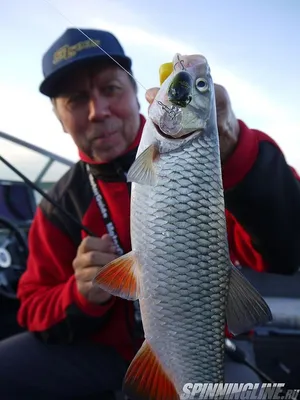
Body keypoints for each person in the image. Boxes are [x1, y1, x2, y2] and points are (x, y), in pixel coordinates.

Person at [0, 27, 299, 399]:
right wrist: (78, 295)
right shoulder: (57, 206)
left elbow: (285, 248)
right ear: (59, 118)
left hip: (212, 348)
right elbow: (32, 307)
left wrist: (237, 151)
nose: (98, 111)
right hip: (102, 351)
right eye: (76, 99)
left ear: (138, 94)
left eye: (110, 89)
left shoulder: (220, 159)